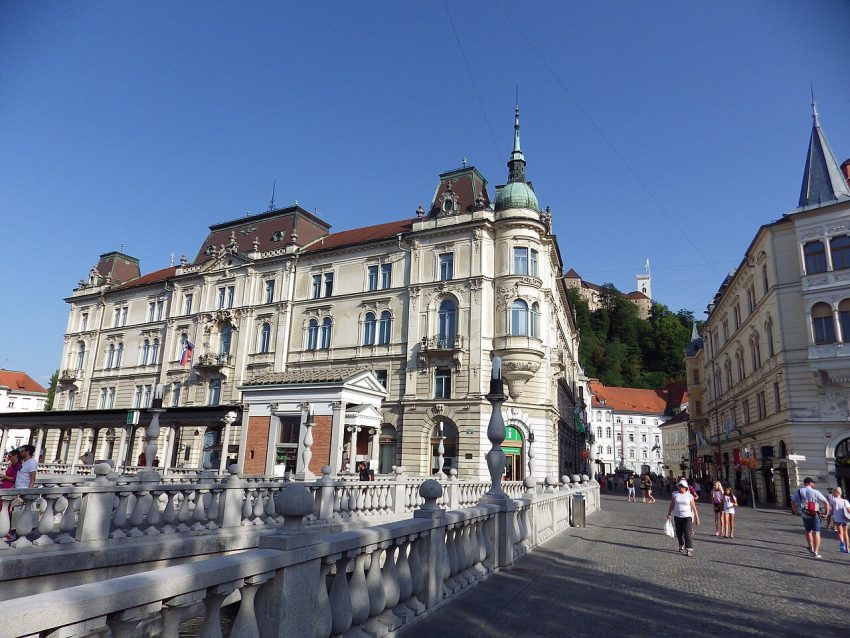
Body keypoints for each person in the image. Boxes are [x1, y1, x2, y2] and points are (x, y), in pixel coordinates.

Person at [790, 477, 831, 559]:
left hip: (804, 514)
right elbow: (826, 503)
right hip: (814, 513)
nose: (814, 484)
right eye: (813, 483)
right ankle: (816, 552)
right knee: (816, 532)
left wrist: (795, 511)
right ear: (809, 483)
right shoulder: (815, 492)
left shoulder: (799, 491)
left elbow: (792, 501)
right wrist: (826, 513)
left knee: (808, 531)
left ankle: (811, 548)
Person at [667, 479, 700, 557]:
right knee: (679, 533)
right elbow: (672, 504)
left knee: (687, 533)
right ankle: (681, 544)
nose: (679, 488)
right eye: (679, 486)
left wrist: (697, 518)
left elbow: (694, 507)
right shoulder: (675, 494)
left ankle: (689, 549)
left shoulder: (689, 496)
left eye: (681, 486)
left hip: (687, 517)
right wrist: (669, 513)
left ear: (685, 487)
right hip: (677, 516)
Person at [830, 487, 849, 553]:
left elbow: (832, 509)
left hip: (837, 518)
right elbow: (849, 510)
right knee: (846, 533)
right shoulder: (845, 501)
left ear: (835, 492)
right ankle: (847, 548)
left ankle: (842, 543)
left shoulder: (833, 500)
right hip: (845, 518)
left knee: (840, 533)